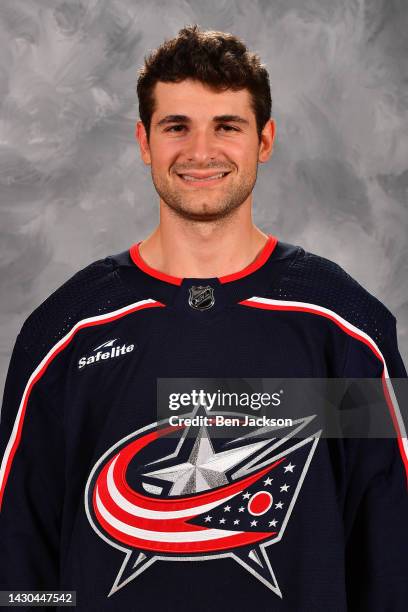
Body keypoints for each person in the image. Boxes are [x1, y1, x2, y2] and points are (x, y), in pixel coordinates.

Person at [0, 24, 407, 612]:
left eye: (227, 126)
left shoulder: (345, 327)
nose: (200, 152)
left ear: (264, 140)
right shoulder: (64, 331)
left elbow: (391, 554)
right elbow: (20, 565)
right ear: (144, 141)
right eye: (176, 127)